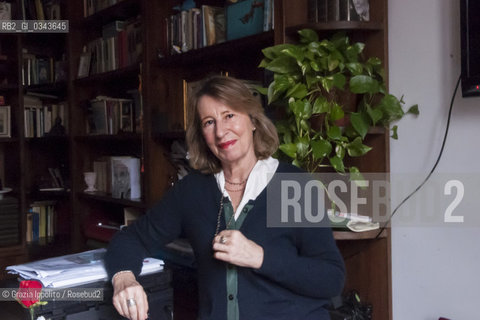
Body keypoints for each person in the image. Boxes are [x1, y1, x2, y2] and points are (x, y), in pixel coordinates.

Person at [105, 76, 345, 320]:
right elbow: (130, 239)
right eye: (209, 122)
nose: (221, 132)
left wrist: (259, 257)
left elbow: (330, 279)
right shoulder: (191, 191)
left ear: (252, 120)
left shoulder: (293, 186)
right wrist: (124, 279)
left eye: (229, 115)